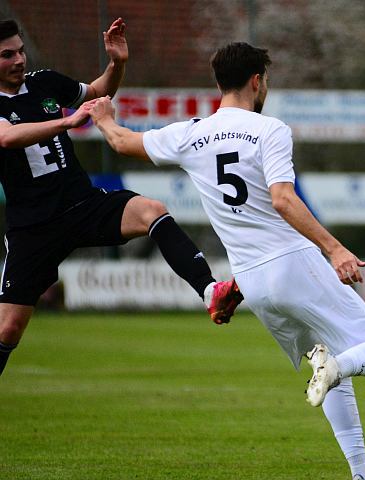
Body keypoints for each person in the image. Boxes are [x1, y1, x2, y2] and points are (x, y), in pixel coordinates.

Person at [89, 42, 365, 480]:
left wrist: (104, 119)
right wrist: (335, 248)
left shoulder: (191, 134)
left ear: (218, 83)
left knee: (324, 359)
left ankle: (363, 472)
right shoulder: (269, 130)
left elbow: (122, 143)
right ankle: (340, 372)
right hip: (293, 263)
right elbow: (282, 198)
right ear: (258, 81)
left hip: (252, 284)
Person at [0, 18, 244, 378]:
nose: (19, 59)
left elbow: (98, 92)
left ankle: (209, 291)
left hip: (82, 204)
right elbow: (7, 137)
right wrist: (67, 123)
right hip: (32, 227)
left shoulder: (44, 83)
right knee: (8, 330)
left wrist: (117, 64)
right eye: (8, 55)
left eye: (21, 50)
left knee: (151, 211)